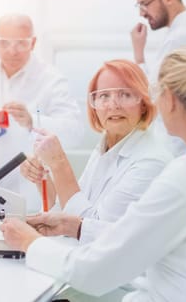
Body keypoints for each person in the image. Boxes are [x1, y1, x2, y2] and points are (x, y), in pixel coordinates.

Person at [0, 44, 186, 302]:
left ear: (170, 100)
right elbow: (137, 236)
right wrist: (77, 226)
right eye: (103, 96)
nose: (113, 104)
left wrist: (29, 242)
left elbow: (94, 272)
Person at [20, 59, 172, 244]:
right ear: (94, 105)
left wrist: (59, 164)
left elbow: (91, 228)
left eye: (125, 94)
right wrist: (43, 177)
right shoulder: (105, 147)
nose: (113, 105)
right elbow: (66, 213)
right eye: (104, 96)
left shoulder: (151, 161)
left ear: (143, 103)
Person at [0, 14, 82, 212]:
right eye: (4, 43)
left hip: (30, 191)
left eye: (20, 43)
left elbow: (74, 132)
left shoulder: (52, 79)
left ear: (33, 43)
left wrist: (31, 121)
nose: (12, 51)